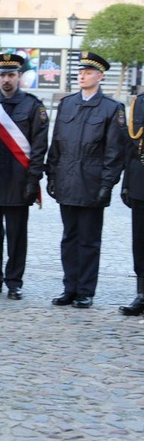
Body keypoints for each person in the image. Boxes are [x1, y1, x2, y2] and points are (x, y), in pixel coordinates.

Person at [46, 52, 125, 309]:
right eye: (80, 72)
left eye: (88, 72)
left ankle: (85, 290)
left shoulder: (112, 109)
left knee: (89, 240)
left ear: (100, 77)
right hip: (68, 180)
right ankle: (69, 288)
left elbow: (114, 152)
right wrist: (52, 175)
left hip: (91, 183)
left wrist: (106, 185)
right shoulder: (68, 104)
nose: (82, 75)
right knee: (69, 238)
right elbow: (56, 144)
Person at [0, 54, 49, 300]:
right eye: (2, 75)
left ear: (19, 76)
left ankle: (14, 281)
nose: (6, 79)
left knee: (17, 236)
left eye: (11, 75)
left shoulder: (33, 106)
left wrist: (33, 179)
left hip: (19, 182)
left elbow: (40, 147)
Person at [119, 92, 144, 315]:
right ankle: (141, 294)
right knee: (140, 242)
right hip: (140, 182)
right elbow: (130, 146)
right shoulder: (140, 101)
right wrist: (126, 183)